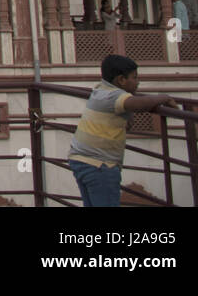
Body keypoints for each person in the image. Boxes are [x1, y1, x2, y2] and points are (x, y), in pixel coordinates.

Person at [68, 54, 178, 206]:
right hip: (100, 164)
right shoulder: (115, 97)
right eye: (135, 77)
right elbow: (139, 104)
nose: (138, 82)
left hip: (80, 159)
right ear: (121, 80)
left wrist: (128, 114)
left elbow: (128, 104)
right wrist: (164, 97)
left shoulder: (101, 89)